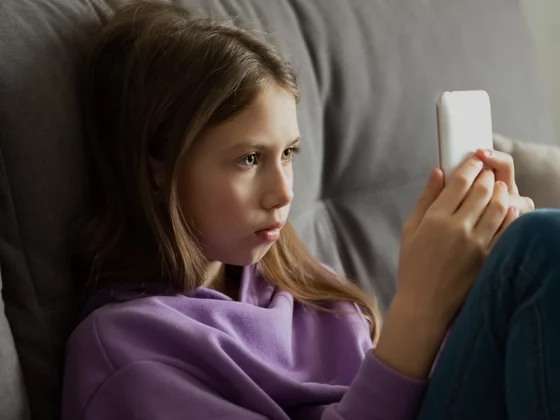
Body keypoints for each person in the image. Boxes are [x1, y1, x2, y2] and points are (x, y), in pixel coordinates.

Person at [62, 1, 559, 419]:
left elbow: (417, 390)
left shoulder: (298, 283)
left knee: (526, 252)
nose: (283, 192)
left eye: (288, 154)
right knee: (537, 247)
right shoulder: (127, 348)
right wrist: (420, 306)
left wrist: (469, 292)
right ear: (158, 170)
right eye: (250, 159)